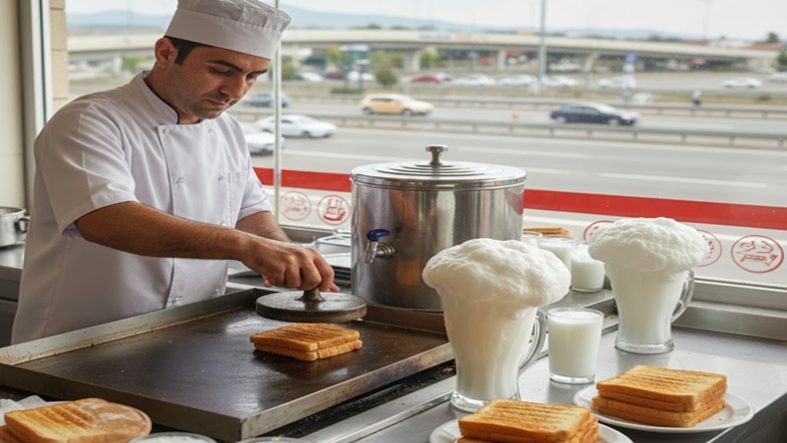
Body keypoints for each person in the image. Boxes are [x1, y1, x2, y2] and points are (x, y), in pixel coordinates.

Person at [11, 0, 337, 344]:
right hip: (79, 344)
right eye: (221, 70)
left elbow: (248, 211)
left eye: (252, 77)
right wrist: (246, 247)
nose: (236, 90)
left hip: (188, 338)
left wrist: (287, 256)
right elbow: (106, 220)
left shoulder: (227, 130)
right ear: (165, 52)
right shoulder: (90, 120)